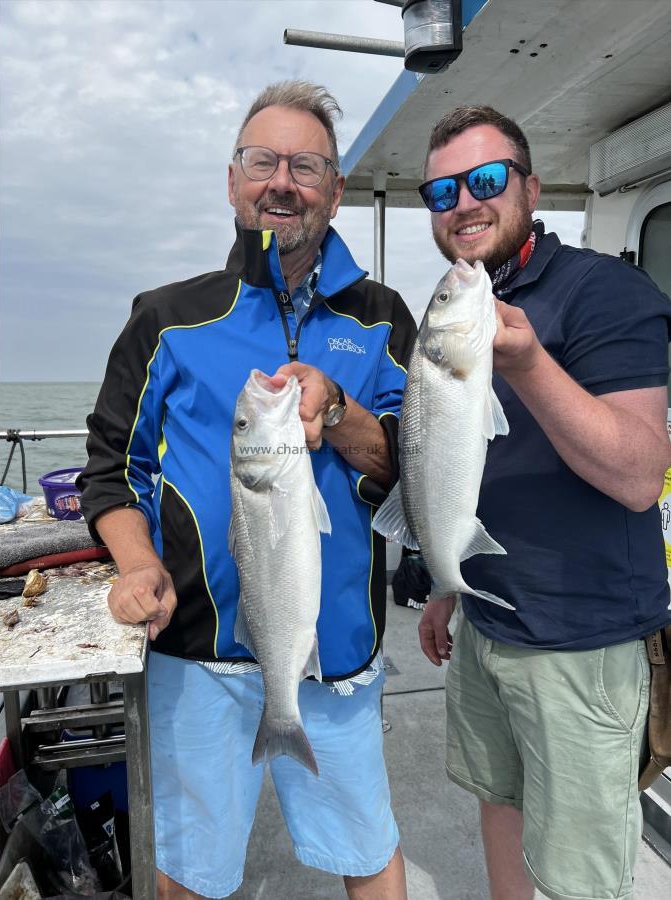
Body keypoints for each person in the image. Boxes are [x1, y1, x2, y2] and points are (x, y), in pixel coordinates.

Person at [78, 81, 416, 900]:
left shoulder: (381, 318)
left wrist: (338, 413)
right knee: (189, 871)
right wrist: (136, 564)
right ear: (232, 180)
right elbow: (112, 467)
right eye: (262, 160)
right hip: (197, 655)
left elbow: (412, 464)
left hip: (337, 657)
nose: (282, 181)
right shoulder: (165, 318)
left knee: (368, 853)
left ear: (335, 190)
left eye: (306, 165)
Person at [416, 106, 671, 900]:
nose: (464, 202)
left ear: (529, 188)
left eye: (485, 180)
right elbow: (455, 464)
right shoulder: (464, 296)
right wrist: (442, 587)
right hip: (486, 618)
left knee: (579, 871)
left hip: (579, 643)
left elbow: (638, 474)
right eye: (441, 190)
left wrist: (526, 364)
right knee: (499, 798)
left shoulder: (606, 292)